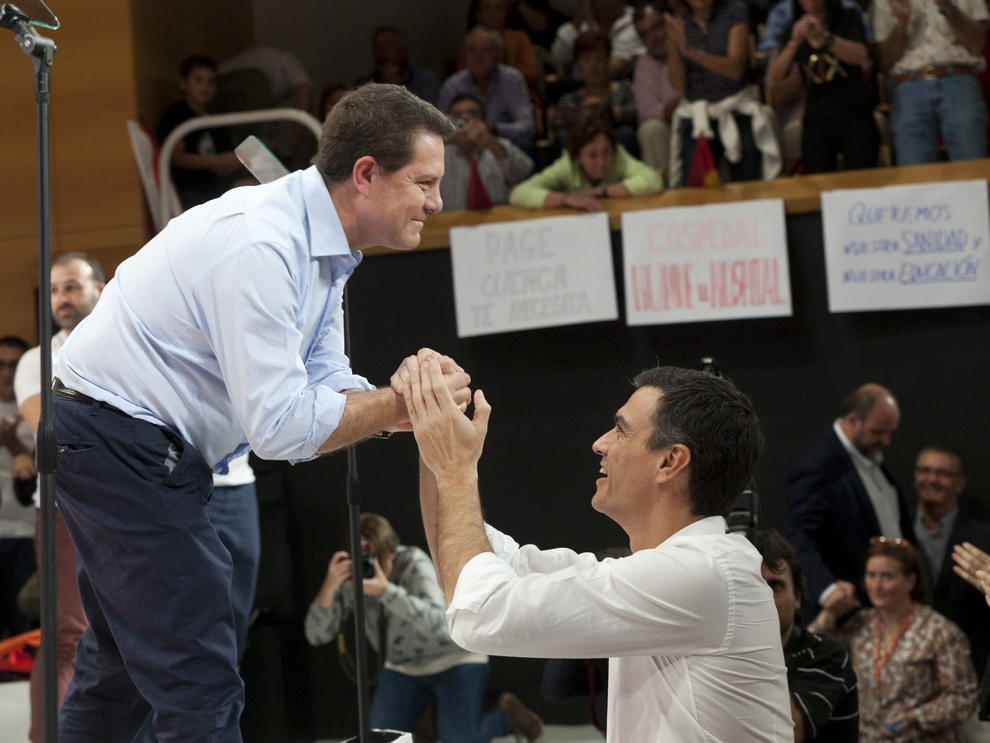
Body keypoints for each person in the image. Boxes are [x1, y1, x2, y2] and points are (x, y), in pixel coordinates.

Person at [51, 83, 471, 743]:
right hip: (116, 440)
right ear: (366, 174)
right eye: (425, 181)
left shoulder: (326, 247)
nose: (437, 201)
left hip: (131, 444)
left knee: (122, 672)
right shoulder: (262, 243)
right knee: (197, 669)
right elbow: (280, 429)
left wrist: (403, 406)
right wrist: (395, 403)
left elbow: (324, 379)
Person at [404, 363, 792, 741]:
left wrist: (455, 466)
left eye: (621, 430)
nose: (599, 443)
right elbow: (469, 567)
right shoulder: (677, 569)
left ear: (670, 461)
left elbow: (480, 612)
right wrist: (434, 435)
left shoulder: (703, 572)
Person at [304, 512, 543, 741]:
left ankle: (506, 717)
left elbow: (439, 625)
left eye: (378, 558)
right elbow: (316, 636)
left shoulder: (412, 562)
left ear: (392, 552)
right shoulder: (350, 578)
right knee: (379, 736)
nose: (370, 567)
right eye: (364, 559)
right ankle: (428, 723)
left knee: (460, 739)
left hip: (455, 659)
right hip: (403, 668)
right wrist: (330, 585)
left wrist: (387, 592)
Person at [13, 253, 104, 743]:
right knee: (70, 635)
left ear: (101, 289)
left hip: (126, 511)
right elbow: (49, 431)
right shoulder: (37, 359)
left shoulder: (126, 347)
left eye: (71, 287)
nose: (62, 300)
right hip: (65, 509)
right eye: (53, 291)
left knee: (126, 639)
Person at [810, 538, 978, 741]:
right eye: (871, 575)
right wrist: (828, 616)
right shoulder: (859, 624)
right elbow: (813, 657)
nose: (877, 585)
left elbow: (963, 698)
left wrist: (915, 718)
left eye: (887, 576)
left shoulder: (939, 631)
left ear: (911, 581)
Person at [783, 383, 914, 618]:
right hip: (848, 609)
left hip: (887, 606)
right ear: (853, 421)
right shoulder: (818, 465)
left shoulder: (869, 454)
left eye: (890, 432)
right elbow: (797, 535)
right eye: (878, 432)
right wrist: (827, 588)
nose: (886, 441)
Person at [747, 528, 859, 742]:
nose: (764, 596)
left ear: (797, 597)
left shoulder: (827, 655)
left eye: (775, 585)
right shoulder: (717, 653)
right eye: (753, 585)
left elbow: (788, 732)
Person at [665, 0, 781, 186]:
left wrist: (689, 51)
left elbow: (735, 68)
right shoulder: (679, 23)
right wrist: (674, 46)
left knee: (749, 173)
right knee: (695, 177)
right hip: (698, 115)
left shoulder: (735, 11)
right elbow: (678, 85)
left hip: (735, 108)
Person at [764, 0, 878, 173]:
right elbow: (774, 77)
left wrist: (826, 38)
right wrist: (794, 43)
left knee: (861, 176)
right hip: (816, 116)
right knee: (817, 177)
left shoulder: (848, 17)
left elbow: (862, 57)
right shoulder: (795, 27)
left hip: (854, 111)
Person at [872, 0, 988, 165]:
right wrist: (902, 22)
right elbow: (886, 61)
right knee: (915, 173)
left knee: (972, 166)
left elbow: (978, 44)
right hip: (909, 83)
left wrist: (947, 7)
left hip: (959, 76)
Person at [913, 446, 990, 682]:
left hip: (968, 666)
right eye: (925, 470)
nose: (932, 479)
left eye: (943, 473)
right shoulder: (895, 529)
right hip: (910, 666)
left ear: (960, 483)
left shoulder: (984, 537)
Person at [510, 114, 662, 210]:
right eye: (592, 155)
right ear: (577, 157)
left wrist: (599, 192)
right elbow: (518, 194)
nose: (601, 162)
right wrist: (566, 199)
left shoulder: (619, 156)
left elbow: (653, 180)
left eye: (606, 152)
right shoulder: (566, 166)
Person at [157, 55, 247, 210]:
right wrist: (217, 160)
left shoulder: (216, 120)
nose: (205, 87)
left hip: (216, 188)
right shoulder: (177, 114)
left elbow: (223, 163)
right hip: (190, 191)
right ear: (183, 83)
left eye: (210, 82)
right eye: (198, 80)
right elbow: (176, 157)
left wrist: (235, 161)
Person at [438, 26, 536, 152]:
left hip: (501, 144)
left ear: (499, 55)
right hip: (462, 148)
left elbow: (527, 127)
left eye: (485, 50)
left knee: (523, 145)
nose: (478, 58)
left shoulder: (512, 79)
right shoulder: (453, 85)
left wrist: (493, 129)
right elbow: (439, 130)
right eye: (472, 50)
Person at [441, 93, 534, 211]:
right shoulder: (439, 152)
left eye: (472, 113)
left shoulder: (498, 146)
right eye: (457, 115)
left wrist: (489, 142)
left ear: (483, 120)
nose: (464, 118)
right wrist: (438, 137)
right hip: (450, 224)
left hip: (497, 223)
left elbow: (524, 171)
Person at [552, 30, 640, 154]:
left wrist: (614, 113)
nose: (593, 66)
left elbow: (638, 112)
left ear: (608, 62)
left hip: (617, 149)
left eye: (599, 59)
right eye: (587, 60)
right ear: (578, 65)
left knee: (625, 134)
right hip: (580, 154)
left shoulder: (624, 89)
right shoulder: (568, 101)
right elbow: (560, 130)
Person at [0, 335, 35, 639]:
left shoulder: (37, 409)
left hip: (27, 532)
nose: (7, 373)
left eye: (14, 365)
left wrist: (14, 445)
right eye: (1, 365)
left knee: (23, 625)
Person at [632, 1, 680, 175]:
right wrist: (679, 103)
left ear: (670, 20)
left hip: (702, 117)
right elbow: (646, 111)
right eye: (645, 34)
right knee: (651, 129)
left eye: (657, 26)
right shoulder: (644, 64)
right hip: (670, 126)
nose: (654, 36)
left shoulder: (692, 44)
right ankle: (666, 198)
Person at [551, 0, 647, 79]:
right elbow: (558, 57)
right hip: (581, 90)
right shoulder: (581, 24)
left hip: (627, 89)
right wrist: (581, 16)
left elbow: (614, 68)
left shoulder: (639, 21)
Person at [358, 25, 441, 106]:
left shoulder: (425, 80)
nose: (381, 52)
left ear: (403, 49)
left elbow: (427, 114)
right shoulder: (365, 84)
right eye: (376, 47)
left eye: (387, 46)